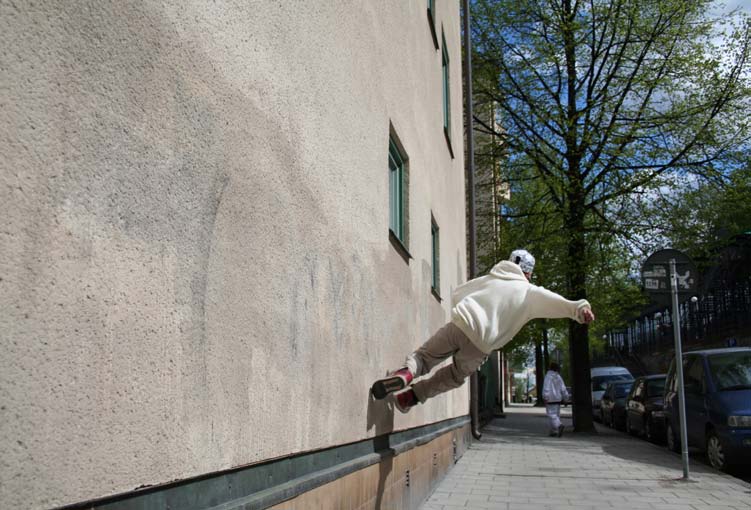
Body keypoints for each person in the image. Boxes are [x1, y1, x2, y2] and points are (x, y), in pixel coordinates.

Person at [371, 249, 595, 413]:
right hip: (480, 346)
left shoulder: (491, 278)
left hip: (462, 324)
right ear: (528, 273)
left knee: (424, 357)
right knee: (455, 375)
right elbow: (556, 301)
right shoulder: (529, 292)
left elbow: (459, 293)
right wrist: (579, 309)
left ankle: (406, 374)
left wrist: (462, 313)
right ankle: (412, 396)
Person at [542, 362, 569, 437]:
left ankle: (559, 425)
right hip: (558, 398)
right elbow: (563, 388)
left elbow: (546, 387)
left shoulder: (548, 376)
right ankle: (553, 431)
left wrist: (545, 396)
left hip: (550, 398)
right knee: (556, 415)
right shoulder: (558, 377)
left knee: (551, 415)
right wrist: (566, 397)